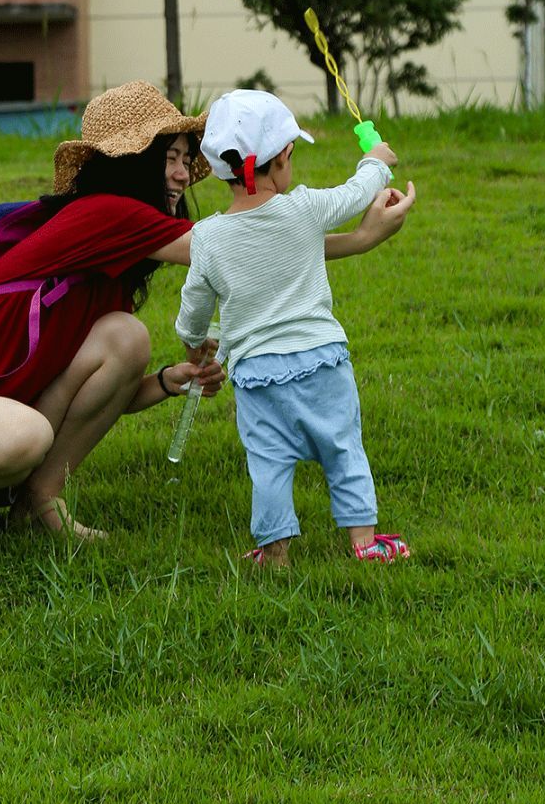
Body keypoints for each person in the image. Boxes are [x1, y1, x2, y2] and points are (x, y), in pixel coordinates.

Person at [0, 80, 416, 573]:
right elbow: (252, 246)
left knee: (126, 336)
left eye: (187, 158)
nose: (184, 174)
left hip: (3, 409)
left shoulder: (113, 248)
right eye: (171, 159)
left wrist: (168, 379)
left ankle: (37, 501)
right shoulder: (106, 213)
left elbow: (98, 393)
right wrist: (363, 238)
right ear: (133, 163)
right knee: (27, 432)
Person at [176, 88, 414, 567]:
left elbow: (193, 309)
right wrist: (376, 161)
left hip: (258, 376)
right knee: (344, 449)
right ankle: (364, 543)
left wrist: (196, 344)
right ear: (283, 158)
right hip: (322, 360)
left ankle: (275, 552)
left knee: (268, 464)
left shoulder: (206, 238)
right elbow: (355, 194)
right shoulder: (303, 209)